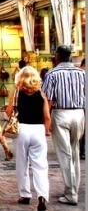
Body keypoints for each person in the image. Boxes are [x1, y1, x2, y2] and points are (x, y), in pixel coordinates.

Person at [42, 45, 85, 206]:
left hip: (61, 113)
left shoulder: (52, 73)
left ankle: (71, 193)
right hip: (79, 113)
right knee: (74, 151)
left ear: (57, 56)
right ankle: (72, 189)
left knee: (64, 154)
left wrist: (46, 121)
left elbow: (48, 99)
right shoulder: (81, 73)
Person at [6, 66, 50, 211]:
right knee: (40, 165)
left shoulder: (17, 93)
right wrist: (47, 131)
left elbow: (8, 112)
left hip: (22, 129)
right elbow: (47, 117)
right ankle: (42, 195)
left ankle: (25, 194)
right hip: (38, 129)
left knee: (22, 163)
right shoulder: (41, 94)